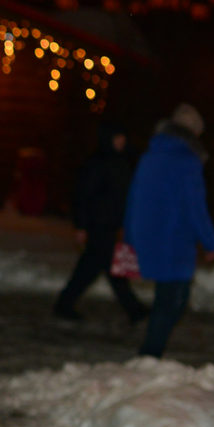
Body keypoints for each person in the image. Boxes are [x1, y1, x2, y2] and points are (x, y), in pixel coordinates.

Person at [124, 103, 214, 358]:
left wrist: (131, 236)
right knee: (172, 303)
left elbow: (133, 198)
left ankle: (150, 355)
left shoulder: (149, 156)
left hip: (150, 236)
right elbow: (195, 207)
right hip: (175, 241)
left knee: (166, 299)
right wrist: (210, 242)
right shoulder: (188, 161)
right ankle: (149, 356)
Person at [53, 121, 146, 325]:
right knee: (103, 267)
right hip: (99, 224)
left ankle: (65, 303)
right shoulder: (97, 163)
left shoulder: (122, 161)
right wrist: (81, 225)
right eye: (118, 137)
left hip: (112, 223)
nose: (122, 141)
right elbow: (83, 196)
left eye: (123, 137)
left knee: (94, 267)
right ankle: (133, 308)